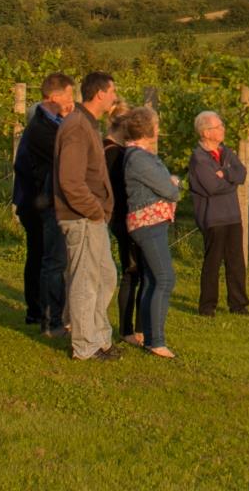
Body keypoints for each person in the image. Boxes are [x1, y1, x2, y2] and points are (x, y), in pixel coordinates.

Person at [54, 71, 121, 362]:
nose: (115, 97)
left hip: (91, 217)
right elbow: (70, 181)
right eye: (112, 91)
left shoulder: (86, 124)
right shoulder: (77, 127)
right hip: (81, 217)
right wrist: (94, 211)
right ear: (100, 94)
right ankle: (84, 345)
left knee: (104, 276)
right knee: (86, 280)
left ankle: (99, 336)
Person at [11, 73, 72, 336]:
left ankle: (37, 309)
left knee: (39, 255)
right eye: (68, 96)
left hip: (33, 200)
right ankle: (39, 310)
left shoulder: (40, 128)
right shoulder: (39, 131)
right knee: (43, 256)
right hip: (35, 202)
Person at [121, 107, 180, 358]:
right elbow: (171, 190)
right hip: (148, 223)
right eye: (156, 125)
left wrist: (169, 184)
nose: (159, 129)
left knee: (152, 278)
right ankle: (156, 340)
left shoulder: (140, 155)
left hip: (150, 222)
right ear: (149, 130)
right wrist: (172, 184)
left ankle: (147, 335)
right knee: (165, 278)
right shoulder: (139, 158)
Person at [188, 110, 249, 317]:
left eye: (222, 125)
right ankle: (207, 306)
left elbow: (241, 173)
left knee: (236, 262)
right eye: (218, 127)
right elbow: (211, 186)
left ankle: (238, 304)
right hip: (213, 217)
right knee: (212, 262)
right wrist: (230, 182)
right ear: (205, 132)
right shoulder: (198, 159)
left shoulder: (226, 152)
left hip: (232, 215)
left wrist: (226, 175)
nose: (223, 129)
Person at [104, 100, 144, 346]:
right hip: (124, 217)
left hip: (118, 217)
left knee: (133, 272)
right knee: (132, 272)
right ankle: (129, 329)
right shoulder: (115, 154)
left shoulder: (107, 149)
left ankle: (132, 327)